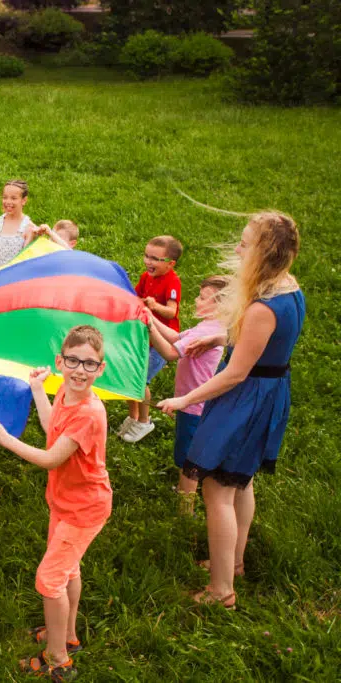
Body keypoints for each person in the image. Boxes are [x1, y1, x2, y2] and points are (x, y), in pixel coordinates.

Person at [157, 212, 303, 609]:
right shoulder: (290, 290)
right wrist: (224, 334)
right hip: (267, 392)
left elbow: (235, 374)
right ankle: (234, 562)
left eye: (244, 243)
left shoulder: (262, 307)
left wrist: (184, 399)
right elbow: (265, 343)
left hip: (245, 399)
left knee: (216, 489)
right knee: (241, 480)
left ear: (263, 254)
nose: (237, 248)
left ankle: (221, 590)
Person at [0, 325, 112, 682]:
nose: (80, 370)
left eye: (89, 364)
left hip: (84, 509)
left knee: (49, 581)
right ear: (60, 361)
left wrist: (5, 439)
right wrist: (39, 389)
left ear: (100, 369)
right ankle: (66, 636)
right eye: (73, 361)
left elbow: (50, 459)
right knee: (68, 571)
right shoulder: (66, 396)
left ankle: (58, 659)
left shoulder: (89, 412)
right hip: (66, 503)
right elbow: (51, 428)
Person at [148, 275, 228, 516]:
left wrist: (149, 327)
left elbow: (171, 353)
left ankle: (186, 510)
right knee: (190, 451)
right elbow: (176, 337)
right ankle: (187, 490)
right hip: (193, 403)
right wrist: (149, 316)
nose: (196, 300)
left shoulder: (208, 331)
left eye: (202, 298)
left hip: (194, 406)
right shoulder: (208, 327)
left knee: (188, 460)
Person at [119, 235, 183, 444]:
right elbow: (136, 295)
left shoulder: (172, 281)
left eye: (155, 259)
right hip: (144, 336)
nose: (148, 262)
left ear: (170, 264)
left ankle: (145, 421)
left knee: (140, 380)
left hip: (161, 343)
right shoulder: (147, 276)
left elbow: (171, 312)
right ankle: (133, 417)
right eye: (147, 256)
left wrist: (155, 306)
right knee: (131, 376)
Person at [0, 179, 35, 272]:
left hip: (17, 279)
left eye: (13, 198)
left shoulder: (29, 228)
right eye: (5, 197)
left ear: (24, 200)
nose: (8, 202)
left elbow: (26, 261)